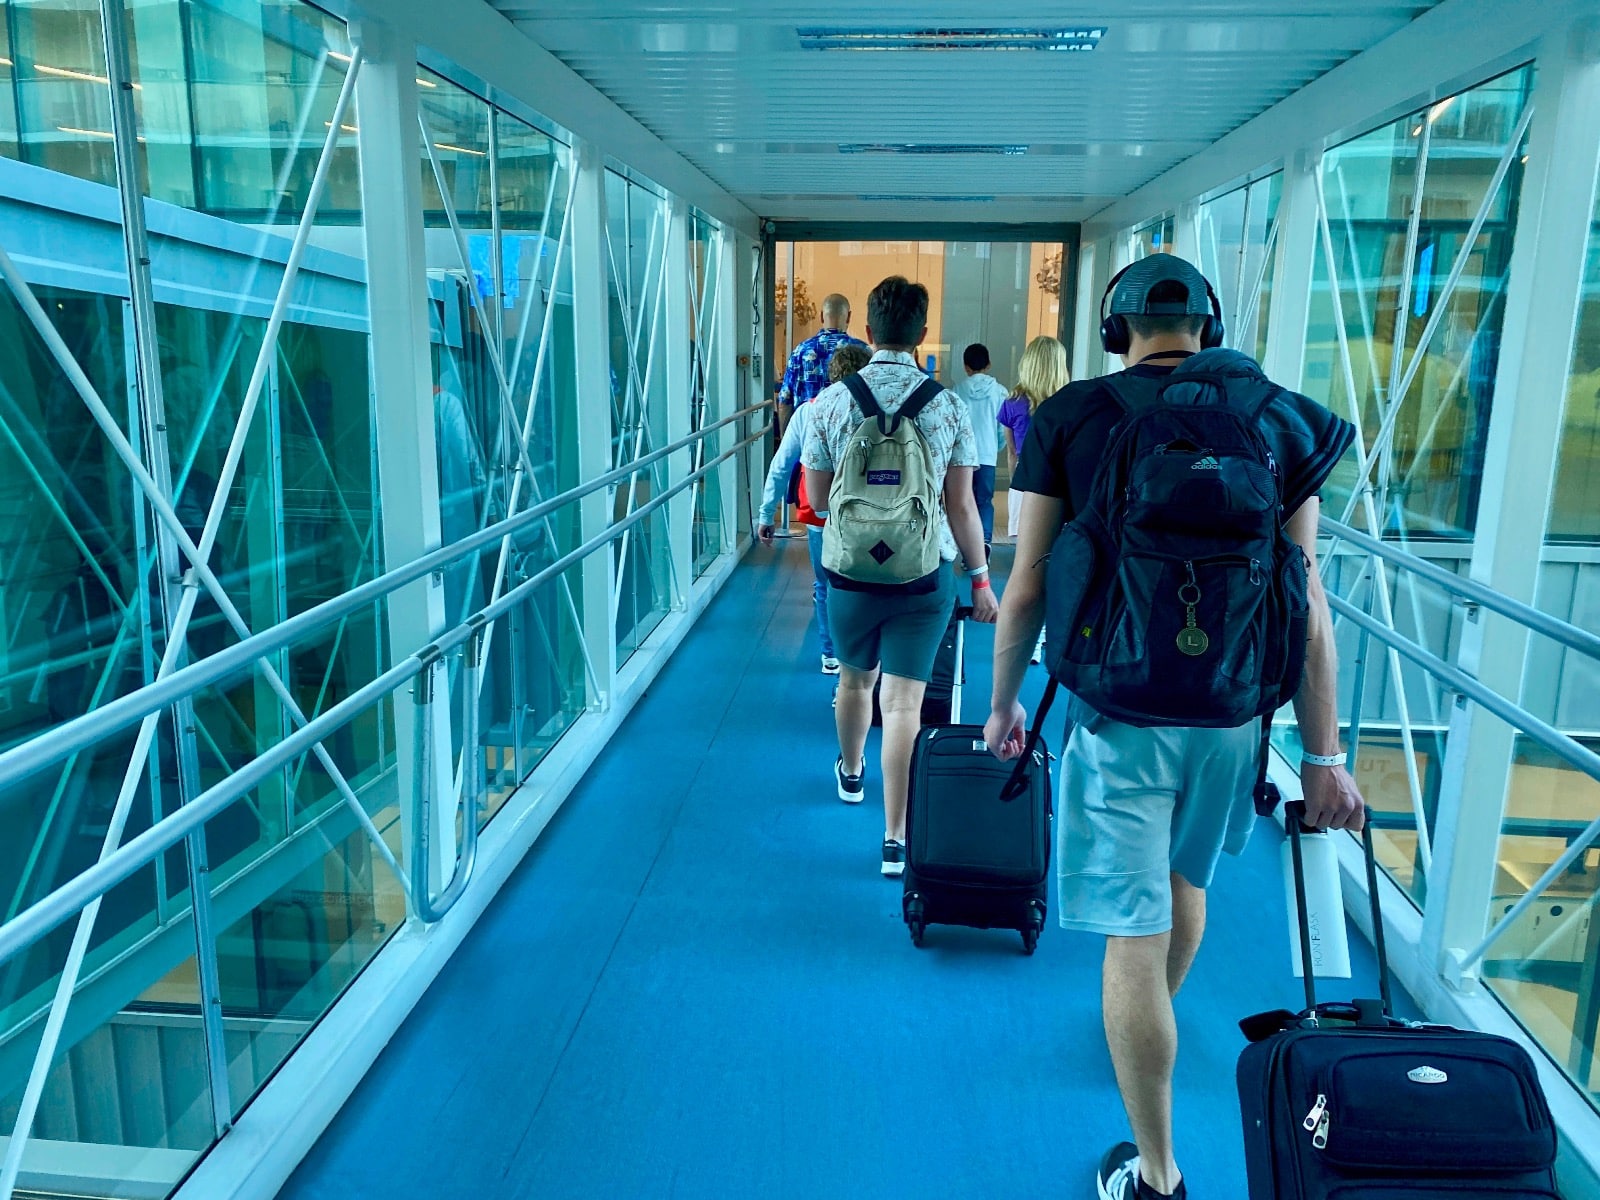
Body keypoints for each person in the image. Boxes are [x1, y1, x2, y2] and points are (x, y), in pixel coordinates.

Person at [983, 255, 1365, 1200]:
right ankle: (1149, 1018)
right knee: (1185, 884)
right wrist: (1323, 757)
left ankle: (1156, 1175)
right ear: (1209, 323)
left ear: (1117, 329)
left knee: (1130, 940)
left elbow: (1028, 581)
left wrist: (1001, 705)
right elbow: (1306, 601)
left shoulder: (1072, 415)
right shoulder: (1276, 417)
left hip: (1119, 715)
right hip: (1236, 712)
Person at [803, 276, 998, 876]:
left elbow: (815, 496)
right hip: (924, 573)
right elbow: (962, 505)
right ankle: (896, 838)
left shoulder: (831, 402)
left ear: (867, 330)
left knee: (856, 684)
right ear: (920, 335)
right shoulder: (946, 405)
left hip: (851, 574)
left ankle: (852, 772)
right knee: (905, 704)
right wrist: (982, 579)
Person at [757, 343, 874, 675]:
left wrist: (767, 514)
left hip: (820, 514)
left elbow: (782, 464)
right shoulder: (879, 410)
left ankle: (831, 653)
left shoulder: (810, 410)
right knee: (866, 583)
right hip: (866, 513)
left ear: (832, 373)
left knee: (825, 585)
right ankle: (863, 652)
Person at [998, 335, 1070, 543]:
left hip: (1026, 475)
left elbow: (1011, 453)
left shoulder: (1012, 402)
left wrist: (1014, 483)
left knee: (1026, 551)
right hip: (1060, 478)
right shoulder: (1069, 401)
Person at [776, 293, 867, 438]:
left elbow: (784, 401)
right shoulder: (863, 351)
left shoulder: (801, 351)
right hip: (848, 441)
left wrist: (785, 440)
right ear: (849, 317)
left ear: (821, 316)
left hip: (807, 440)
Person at [954, 343, 1009, 553]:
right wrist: (998, 446)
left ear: (966, 366)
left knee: (962, 502)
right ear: (989, 364)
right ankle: (985, 540)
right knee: (985, 501)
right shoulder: (1000, 392)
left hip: (962, 458)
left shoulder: (958, 390)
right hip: (987, 456)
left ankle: (966, 545)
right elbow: (1002, 427)